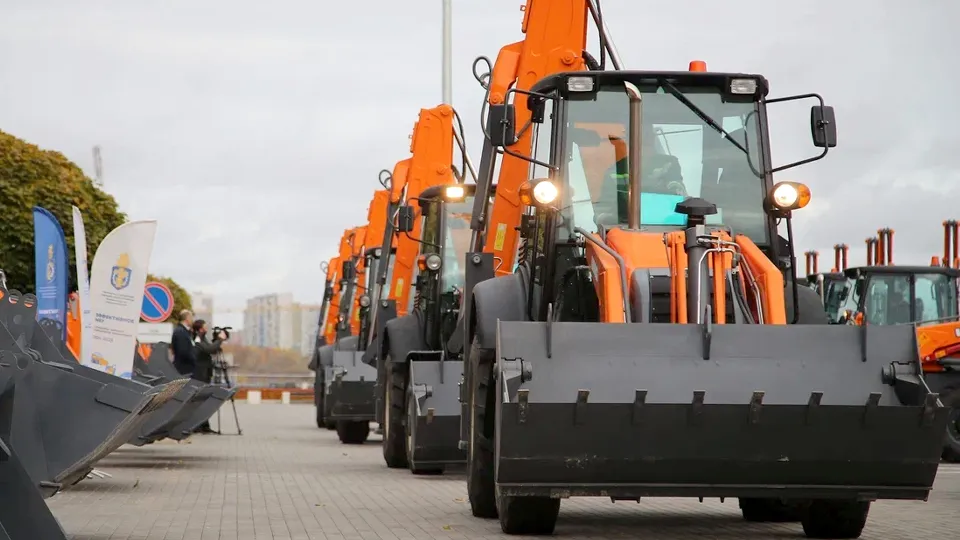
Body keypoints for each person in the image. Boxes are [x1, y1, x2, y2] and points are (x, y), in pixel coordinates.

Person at [191, 319, 226, 433]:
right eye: (205, 326)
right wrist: (220, 339)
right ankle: (198, 426)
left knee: (204, 399)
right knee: (200, 400)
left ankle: (204, 425)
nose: (207, 327)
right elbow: (209, 349)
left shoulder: (203, 338)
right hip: (199, 374)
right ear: (200, 328)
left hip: (205, 373)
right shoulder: (197, 339)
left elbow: (211, 349)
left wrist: (217, 341)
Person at [171, 310, 196, 376]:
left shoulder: (184, 331)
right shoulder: (180, 332)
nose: (192, 320)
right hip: (183, 370)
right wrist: (194, 359)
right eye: (191, 318)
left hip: (185, 369)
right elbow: (183, 351)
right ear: (187, 318)